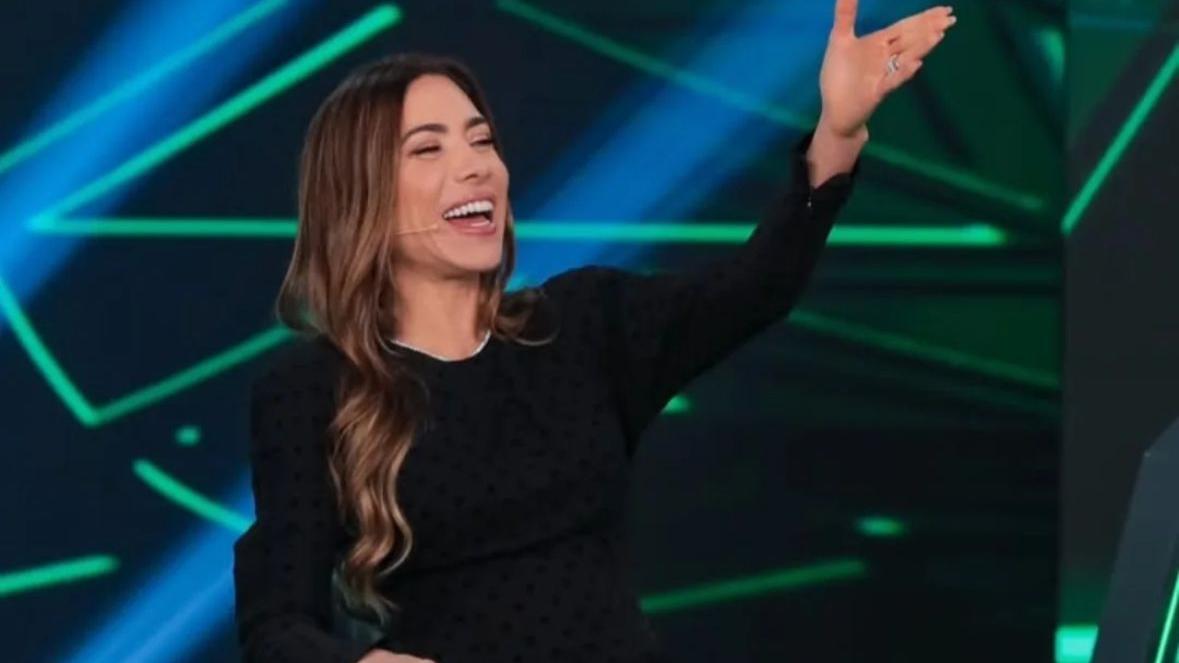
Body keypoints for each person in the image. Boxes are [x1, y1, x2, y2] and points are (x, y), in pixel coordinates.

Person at [232, 1, 956, 661]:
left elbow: (755, 288)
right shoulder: (314, 391)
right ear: (360, 195)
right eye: (428, 149)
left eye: (481, 140)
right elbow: (276, 626)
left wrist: (837, 132)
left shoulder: (578, 324)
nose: (474, 167)